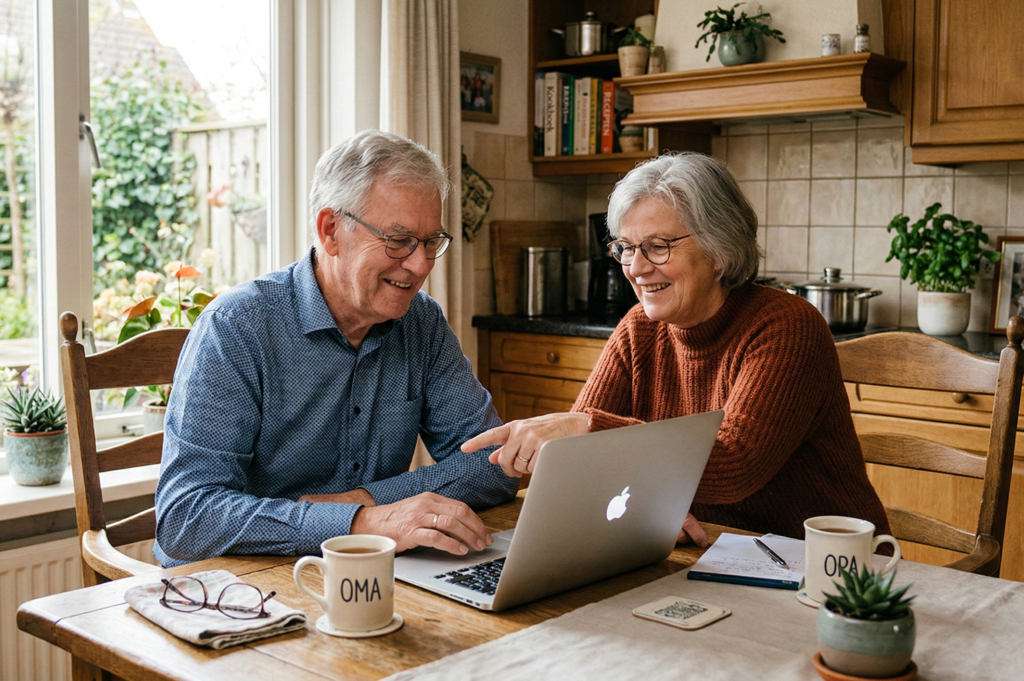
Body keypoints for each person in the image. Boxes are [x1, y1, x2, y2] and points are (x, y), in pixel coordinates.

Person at [463, 151, 890, 547]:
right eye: (626, 248)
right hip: (704, 553)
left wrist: (588, 429)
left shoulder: (786, 325)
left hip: (823, 565)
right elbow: (580, 466)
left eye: (658, 246)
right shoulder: (638, 330)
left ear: (719, 249)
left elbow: (734, 464)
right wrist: (651, 505)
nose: (636, 267)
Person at [155, 130, 518, 567]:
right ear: (330, 231)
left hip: (366, 574)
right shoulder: (237, 326)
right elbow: (186, 518)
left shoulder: (422, 322)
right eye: (398, 240)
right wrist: (360, 522)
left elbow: (492, 465)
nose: (421, 265)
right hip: (239, 585)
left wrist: (365, 502)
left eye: (429, 242)